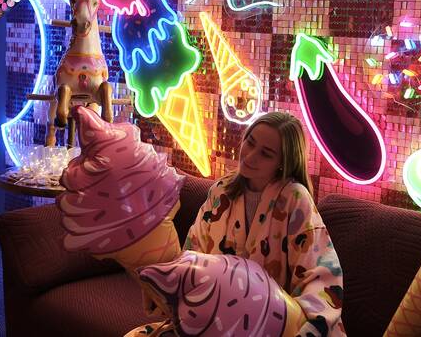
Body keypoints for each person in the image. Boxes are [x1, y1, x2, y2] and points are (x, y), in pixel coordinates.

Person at [130, 111, 346, 336]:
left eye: (266, 154)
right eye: (250, 142)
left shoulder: (294, 199)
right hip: (213, 319)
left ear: (283, 163)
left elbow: (320, 275)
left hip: (273, 328)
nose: (250, 156)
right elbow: (193, 253)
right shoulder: (221, 191)